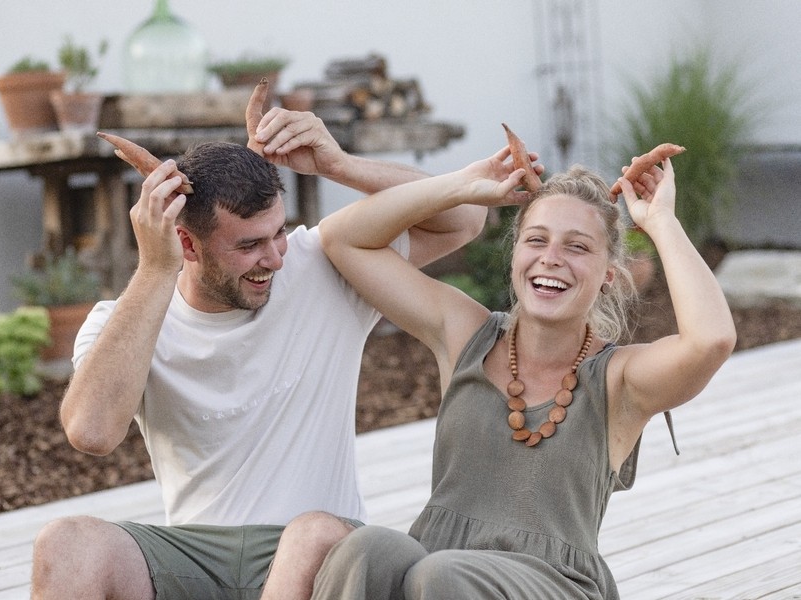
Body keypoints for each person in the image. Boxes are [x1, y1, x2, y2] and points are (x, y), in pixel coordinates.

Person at [28, 103, 488, 600]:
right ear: (186, 245)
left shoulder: (324, 266)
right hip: (197, 557)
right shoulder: (124, 321)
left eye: (279, 233)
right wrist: (155, 269)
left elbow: (462, 219)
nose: (274, 259)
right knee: (66, 544)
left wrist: (340, 165)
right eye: (249, 246)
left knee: (312, 533)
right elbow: (91, 432)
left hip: (320, 555)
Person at [293, 147, 736, 599]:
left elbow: (712, 340)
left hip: (552, 584)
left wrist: (661, 222)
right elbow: (342, 240)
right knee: (366, 549)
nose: (551, 258)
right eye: (536, 240)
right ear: (515, 255)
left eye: (577, 246)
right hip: (435, 570)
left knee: (442, 574)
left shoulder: (619, 378)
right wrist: (459, 188)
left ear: (608, 274)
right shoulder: (467, 334)